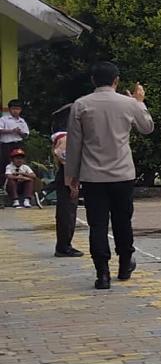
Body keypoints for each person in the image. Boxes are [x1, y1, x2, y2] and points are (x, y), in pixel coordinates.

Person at [64, 61, 155, 290]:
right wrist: (140, 102)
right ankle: (125, 264)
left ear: (93, 80)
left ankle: (102, 273)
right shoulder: (129, 103)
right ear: (116, 80)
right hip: (122, 174)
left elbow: (74, 144)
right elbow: (147, 127)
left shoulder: (81, 105)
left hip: (93, 176)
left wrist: (71, 176)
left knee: (97, 225)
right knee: (123, 221)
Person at [49, 104, 80, 256]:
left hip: (66, 175)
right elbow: (66, 161)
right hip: (68, 176)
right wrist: (72, 184)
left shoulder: (61, 137)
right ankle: (64, 246)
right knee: (67, 212)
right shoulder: (66, 138)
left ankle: (64, 244)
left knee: (67, 211)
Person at [0, 98, 30, 175]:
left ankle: (20, 179)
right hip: (6, 145)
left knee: (20, 164)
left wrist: (19, 132)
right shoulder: (4, 119)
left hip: (18, 144)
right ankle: (4, 181)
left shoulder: (22, 121)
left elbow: (26, 135)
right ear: (9, 109)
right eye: (13, 109)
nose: (15, 111)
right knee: (5, 163)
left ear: (20, 110)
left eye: (17, 109)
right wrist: (12, 131)